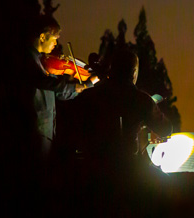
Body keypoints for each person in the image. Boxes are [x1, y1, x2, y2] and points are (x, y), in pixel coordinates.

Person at [72, 47, 172, 216]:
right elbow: (166, 129)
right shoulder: (141, 100)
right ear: (134, 72)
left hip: (92, 172)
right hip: (127, 173)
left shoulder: (89, 96)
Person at [28, 15, 99, 160]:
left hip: (46, 131)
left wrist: (87, 86)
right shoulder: (28, 59)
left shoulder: (43, 62)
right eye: (54, 39)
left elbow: (60, 93)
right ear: (42, 37)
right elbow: (49, 83)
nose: (55, 44)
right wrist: (83, 85)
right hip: (34, 130)